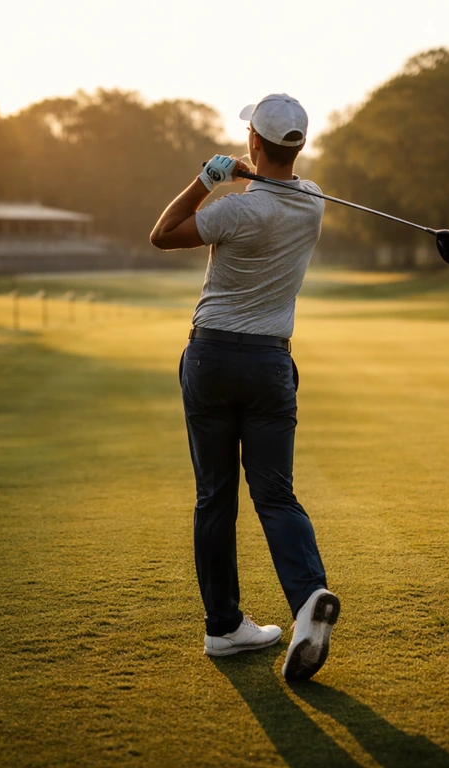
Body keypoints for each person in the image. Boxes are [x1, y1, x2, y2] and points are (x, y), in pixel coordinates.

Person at [149, 94, 340, 681]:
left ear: (254, 143)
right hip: (268, 365)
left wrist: (208, 177)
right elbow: (287, 185)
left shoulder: (236, 211)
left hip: (210, 359)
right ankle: (308, 597)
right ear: (299, 146)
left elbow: (163, 233)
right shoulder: (312, 205)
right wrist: (258, 172)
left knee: (215, 497)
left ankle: (223, 627)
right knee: (275, 495)